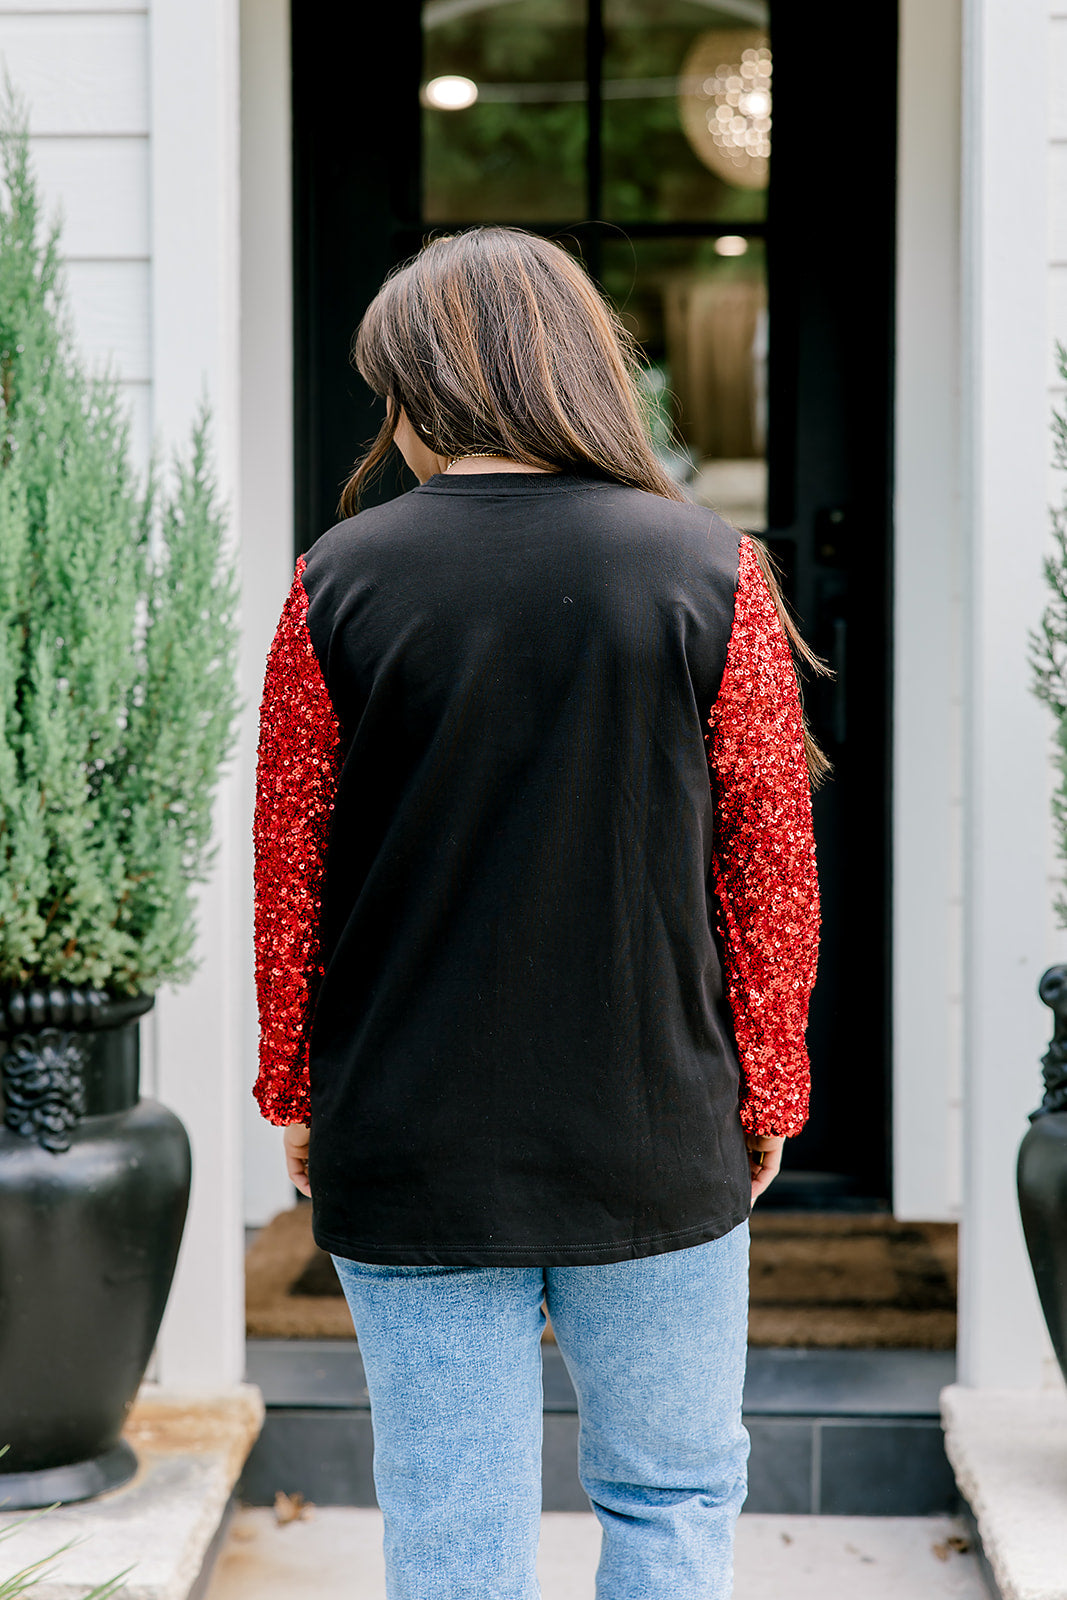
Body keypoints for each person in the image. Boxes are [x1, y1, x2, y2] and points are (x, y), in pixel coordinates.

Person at [253, 227, 823, 1600]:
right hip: (654, 1118)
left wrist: (293, 1091)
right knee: (674, 1493)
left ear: (427, 386)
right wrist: (771, 1086)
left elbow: (293, 876)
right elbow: (771, 874)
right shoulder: (712, 572)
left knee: (454, 1530)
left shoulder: (336, 581)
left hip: (410, 1127)